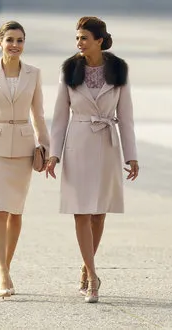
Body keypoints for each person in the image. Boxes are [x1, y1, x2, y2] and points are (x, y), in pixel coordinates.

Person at [45, 16, 139, 304]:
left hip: (108, 145)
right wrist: (54, 154)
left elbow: (126, 117)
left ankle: (86, 268)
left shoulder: (119, 69)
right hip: (78, 142)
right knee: (81, 211)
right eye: (77, 38)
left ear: (99, 40)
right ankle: (93, 275)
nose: (79, 43)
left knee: (99, 212)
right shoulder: (70, 69)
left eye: (84, 37)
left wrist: (132, 156)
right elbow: (60, 116)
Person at [0, 20, 50, 299]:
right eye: (10, 40)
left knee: (16, 212)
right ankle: (3, 272)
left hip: (25, 148)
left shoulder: (34, 73)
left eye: (20, 40)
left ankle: (7, 266)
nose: (15, 45)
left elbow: (38, 115)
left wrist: (46, 150)